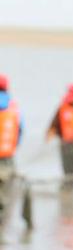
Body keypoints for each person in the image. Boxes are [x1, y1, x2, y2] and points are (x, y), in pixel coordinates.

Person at [0, 75, 23, 226]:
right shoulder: (14, 106)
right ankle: (4, 219)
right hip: (8, 154)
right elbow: (21, 130)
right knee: (7, 190)